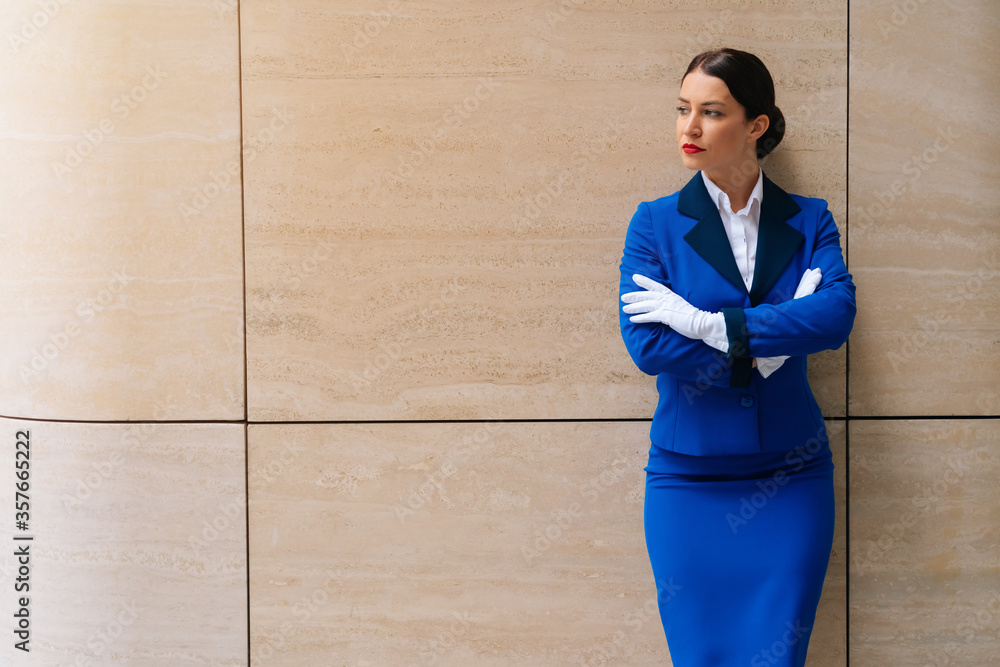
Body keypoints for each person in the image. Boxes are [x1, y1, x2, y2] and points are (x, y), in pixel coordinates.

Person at [617, 48, 856, 666]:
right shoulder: (654, 226)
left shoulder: (810, 220)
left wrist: (703, 324)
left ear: (757, 125)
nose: (688, 128)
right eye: (682, 109)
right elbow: (648, 344)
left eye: (711, 111)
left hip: (791, 476)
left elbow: (833, 317)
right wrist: (768, 344)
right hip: (687, 478)